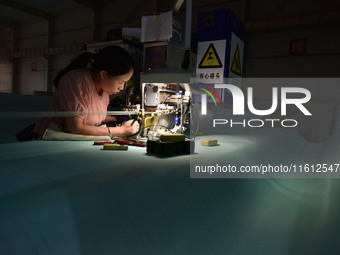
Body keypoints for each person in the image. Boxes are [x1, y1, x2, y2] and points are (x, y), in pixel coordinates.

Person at [33, 46, 139, 140]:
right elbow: (75, 127)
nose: (122, 87)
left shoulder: (103, 88)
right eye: (121, 82)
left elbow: (88, 116)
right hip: (52, 140)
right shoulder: (77, 81)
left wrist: (116, 118)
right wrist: (121, 131)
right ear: (103, 74)